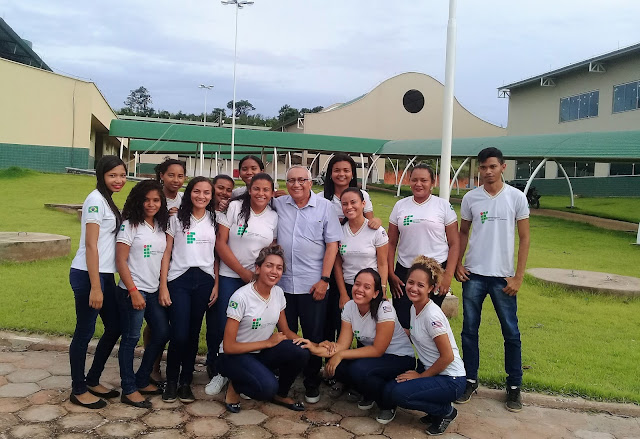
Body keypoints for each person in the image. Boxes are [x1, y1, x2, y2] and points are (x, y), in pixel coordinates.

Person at [455, 147, 530, 412]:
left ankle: (514, 387)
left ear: (502, 167)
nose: (488, 172)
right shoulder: (471, 198)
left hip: (503, 279)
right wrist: (458, 264)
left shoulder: (516, 197)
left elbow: (525, 238)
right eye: (484, 167)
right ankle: (470, 380)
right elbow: (463, 233)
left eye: (493, 167)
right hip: (474, 275)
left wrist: (518, 277)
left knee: (511, 333)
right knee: (469, 331)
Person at [303, 268, 415, 419]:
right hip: (375, 358)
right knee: (339, 367)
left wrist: (340, 355)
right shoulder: (350, 306)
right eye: (357, 284)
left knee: (358, 369)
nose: (360, 289)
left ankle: (387, 402)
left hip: (399, 357)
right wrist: (314, 348)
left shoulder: (385, 309)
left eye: (367, 287)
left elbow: (378, 350)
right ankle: (371, 391)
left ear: (375, 293)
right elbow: (341, 345)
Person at [273, 165, 342, 403]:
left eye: (302, 180)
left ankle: (312, 382)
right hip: (282, 284)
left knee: (314, 334)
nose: (296, 184)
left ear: (311, 183)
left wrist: (324, 279)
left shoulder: (325, 207)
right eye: (291, 180)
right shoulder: (279, 204)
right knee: (285, 334)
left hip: (313, 285)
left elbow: (332, 245)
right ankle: (286, 379)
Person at [205, 173, 278, 395]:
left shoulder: (273, 216)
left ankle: (244, 373)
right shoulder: (235, 207)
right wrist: (242, 272)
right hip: (230, 275)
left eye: (266, 190)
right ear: (249, 189)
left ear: (272, 193)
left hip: (257, 281)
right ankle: (220, 370)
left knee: (251, 327)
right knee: (223, 325)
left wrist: (259, 275)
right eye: (256, 189)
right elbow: (221, 243)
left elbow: (272, 249)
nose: (261, 193)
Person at [217, 244, 310, 413]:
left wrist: (312, 345)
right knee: (267, 389)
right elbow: (229, 346)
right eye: (269, 265)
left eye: (279, 268)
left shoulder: (278, 293)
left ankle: (281, 394)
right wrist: (267, 343)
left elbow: (286, 332)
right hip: (233, 356)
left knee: (301, 352)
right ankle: (236, 385)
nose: (274, 271)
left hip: (260, 353)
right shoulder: (241, 297)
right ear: (258, 268)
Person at [381, 256, 466, 435]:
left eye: (421, 285)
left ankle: (445, 411)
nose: (413, 288)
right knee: (390, 387)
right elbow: (413, 333)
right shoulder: (415, 307)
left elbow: (448, 356)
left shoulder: (432, 316)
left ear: (431, 288)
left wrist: (420, 376)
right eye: (411, 282)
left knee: (399, 394)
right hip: (433, 371)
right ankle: (434, 409)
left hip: (451, 379)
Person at [68, 155, 127, 409]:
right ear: (101, 175)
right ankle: (78, 389)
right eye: (112, 175)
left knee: (115, 326)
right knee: (84, 331)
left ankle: (92, 379)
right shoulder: (95, 201)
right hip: (88, 274)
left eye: (122, 175)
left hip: (104, 274)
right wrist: (95, 286)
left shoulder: (107, 200)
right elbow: (91, 245)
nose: (118, 180)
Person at [159, 176, 219, 404]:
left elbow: (216, 255)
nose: (201, 196)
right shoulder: (176, 219)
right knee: (179, 333)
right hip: (179, 280)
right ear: (189, 193)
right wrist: (163, 285)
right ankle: (171, 381)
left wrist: (216, 283)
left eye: (206, 192)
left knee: (193, 334)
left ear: (211, 196)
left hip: (204, 280)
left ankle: (185, 382)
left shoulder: (216, 219)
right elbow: (166, 252)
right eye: (197, 191)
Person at [115, 180, 170, 408]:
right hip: (133, 291)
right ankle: (128, 389)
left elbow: (164, 257)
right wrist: (133, 291)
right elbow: (120, 260)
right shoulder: (130, 225)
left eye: (156, 200)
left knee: (162, 331)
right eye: (146, 200)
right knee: (130, 338)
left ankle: (142, 378)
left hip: (153, 290)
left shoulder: (160, 225)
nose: (151, 204)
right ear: (138, 201)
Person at [387, 163, 460, 329]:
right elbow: (391, 242)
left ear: (433, 182)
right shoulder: (400, 206)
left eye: (424, 180)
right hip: (405, 270)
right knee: (404, 322)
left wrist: (447, 276)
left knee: (429, 323)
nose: (418, 184)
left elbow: (454, 243)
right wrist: (391, 274)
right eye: (414, 180)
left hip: (435, 272)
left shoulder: (443, 206)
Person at [145, 158, 186, 384]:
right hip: (153, 264)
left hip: (177, 268)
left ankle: (174, 366)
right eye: (171, 175)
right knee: (155, 322)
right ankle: (152, 365)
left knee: (174, 321)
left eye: (180, 176)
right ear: (162, 175)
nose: (176, 180)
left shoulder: (185, 199)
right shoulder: (152, 197)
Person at [333, 188, 388, 333]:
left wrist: (382, 291)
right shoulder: (339, 231)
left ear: (363, 204)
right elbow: (337, 264)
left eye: (353, 202)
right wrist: (343, 293)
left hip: (370, 289)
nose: (349, 207)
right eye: (345, 204)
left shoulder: (377, 231)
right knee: (343, 330)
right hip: (347, 286)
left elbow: (383, 263)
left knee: (369, 333)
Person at [319, 153, 374, 222]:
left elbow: (370, 222)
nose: (341, 174)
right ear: (330, 173)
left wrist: (376, 221)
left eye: (346, 170)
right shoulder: (319, 198)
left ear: (352, 174)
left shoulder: (363, 195)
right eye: (337, 170)